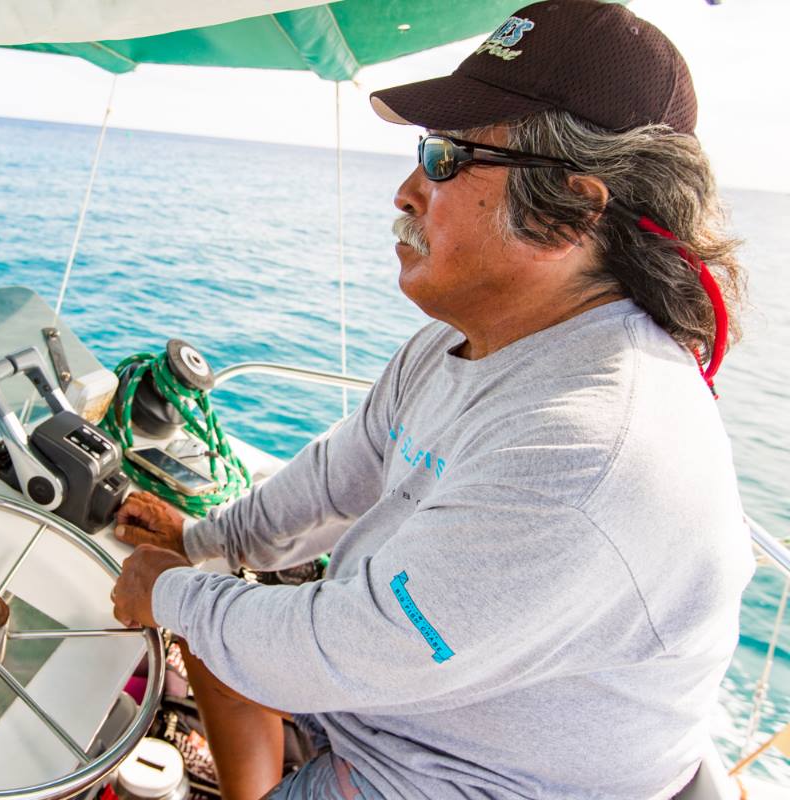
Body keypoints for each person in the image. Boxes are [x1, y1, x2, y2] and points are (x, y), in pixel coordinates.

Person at [109, 2, 753, 798]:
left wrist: (169, 587)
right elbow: (335, 478)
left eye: (447, 158)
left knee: (204, 614)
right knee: (214, 618)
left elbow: (350, 644)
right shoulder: (472, 338)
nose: (407, 191)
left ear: (576, 210)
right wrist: (203, 541)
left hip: (464, 776)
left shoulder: (586, 449)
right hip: (402, 702)